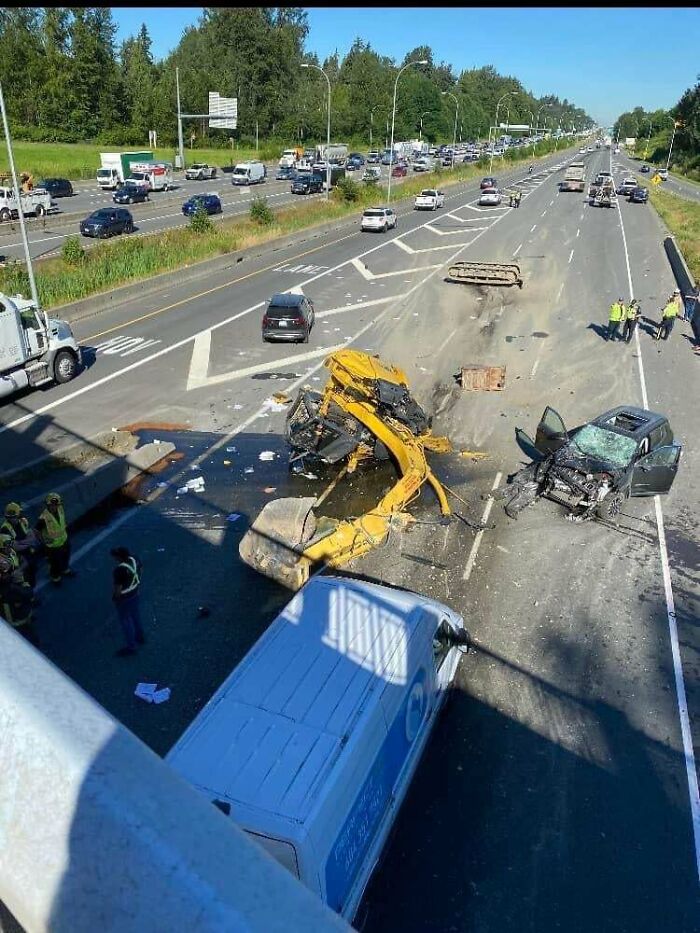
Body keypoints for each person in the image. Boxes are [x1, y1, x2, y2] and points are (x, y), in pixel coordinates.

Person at [111, 546, 144, 657]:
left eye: (115, 556)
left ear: (119, 557)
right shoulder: (135, 559)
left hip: (124, 598)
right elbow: (141, 570)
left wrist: (116, 597)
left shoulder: (119, 570)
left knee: (126, 620)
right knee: (135, 615)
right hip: (135, 592)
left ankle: (131, 646)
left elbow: (118, 588)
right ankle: (140, 636)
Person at [35, 492, 75, 585]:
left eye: (56, 505)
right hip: (53, 546)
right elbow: (36, 531)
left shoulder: (60, 509)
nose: (54, 507)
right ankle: (55, 578)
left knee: (66, 557)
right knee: (55, 564)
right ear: (47, 505)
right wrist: (43, 541)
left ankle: (65, 570)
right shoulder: (43, 518)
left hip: (64, 540)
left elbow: (62, 521)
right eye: (52, 505)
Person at [0, 554, 39, 647]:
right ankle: (33, 646)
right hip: (17, 619)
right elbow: (28, 593)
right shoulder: (11, 589)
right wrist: (21, 581)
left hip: (9, 614)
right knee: (27, 633)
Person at [1, 502, 40, 588]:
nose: (13, 519)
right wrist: (28, 541)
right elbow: (16, 547)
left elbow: (31, 534)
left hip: (28, 553)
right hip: (18, 558)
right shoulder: (4, 529)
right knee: (23, 579)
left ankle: (31, 590)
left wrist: (22, 542)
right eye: (11, 517)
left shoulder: (23, 521)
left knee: (33, 571)